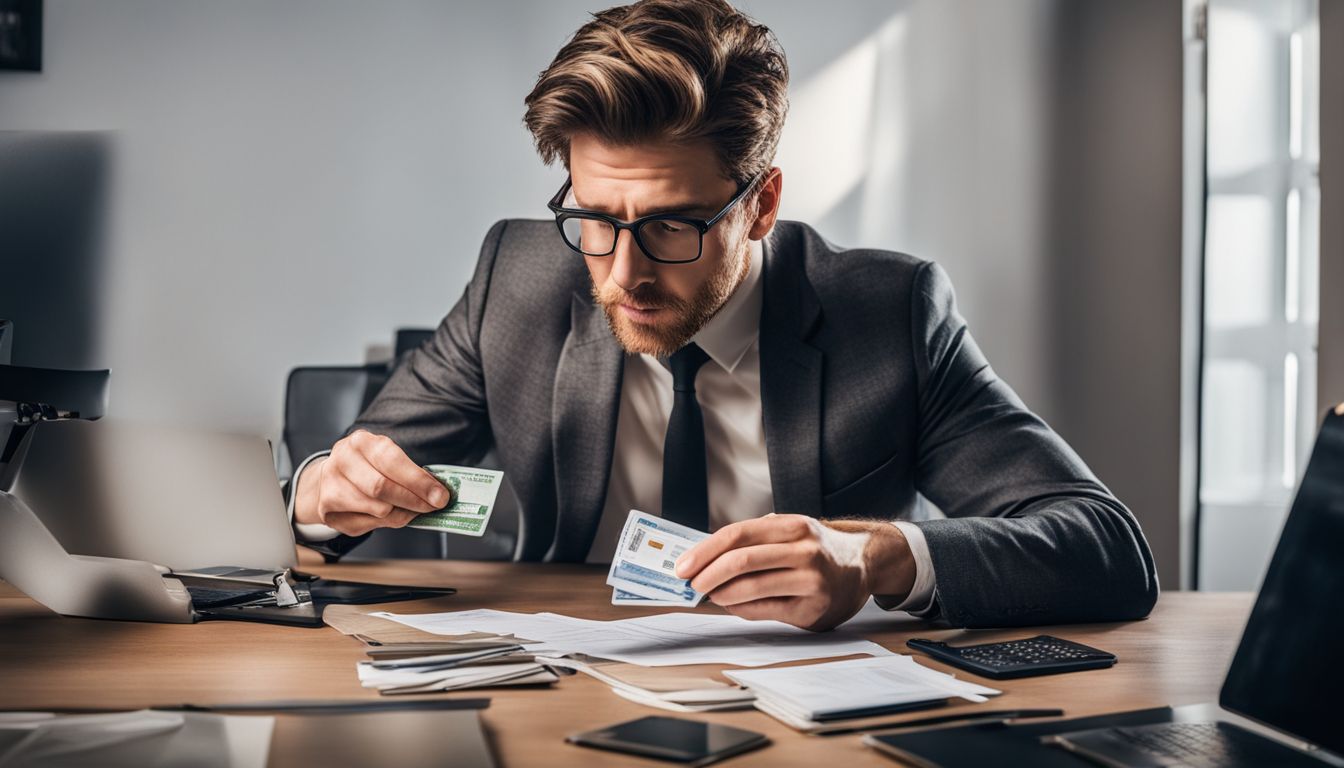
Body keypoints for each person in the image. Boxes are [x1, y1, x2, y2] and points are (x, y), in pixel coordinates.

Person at [289, 0, 1158, 631]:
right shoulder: (517, 276)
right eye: (594, 218)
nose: (622, 273)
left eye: (670, 224)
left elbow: (1105, 548)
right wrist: (326, 494)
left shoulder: (889, 314)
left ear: (761, 204)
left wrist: (879, 558)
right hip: (562, 678)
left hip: (811, 709)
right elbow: (349, 482)